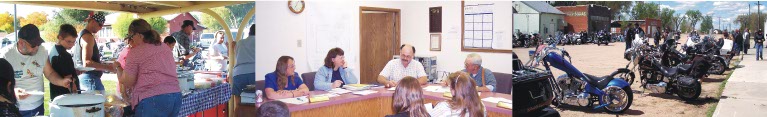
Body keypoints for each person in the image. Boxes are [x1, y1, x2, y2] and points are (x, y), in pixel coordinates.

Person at [114, 19, 181, 116]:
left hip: (152, 99)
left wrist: (118, 67)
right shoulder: (164, 47)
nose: (131, 40)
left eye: (132, 36)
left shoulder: (136, 51)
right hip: (175, 96)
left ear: (139, 35)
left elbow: (128, 81)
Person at [0, 24, 71, 117]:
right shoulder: (6, 55)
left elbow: (50, 73)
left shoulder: (42, 51)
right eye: (33, 45)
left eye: (39, 43)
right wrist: (14, 91)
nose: (37, 47)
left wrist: (61, 81)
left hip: (38, 105)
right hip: (17, 107)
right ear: (21, 42)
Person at [73, 12, 115, 93]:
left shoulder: (83, 34)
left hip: (86, 78)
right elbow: (87, 63)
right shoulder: (88, 37)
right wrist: (109, 67)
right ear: (92, 21)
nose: (101, 28)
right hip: (90, 79)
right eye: (100, 25)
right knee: (97, 104)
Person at [48, 24, 80, 99]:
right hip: (66, 96)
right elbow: (70, 81)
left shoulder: (53, 50)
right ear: (60, 38)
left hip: (56, 94)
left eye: (73, 42)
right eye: (69, 41)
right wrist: (76, 96)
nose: (71, 44)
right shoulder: (64, 56)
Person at [233, 24, 256, 107]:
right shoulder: (261, 42)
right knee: (255, 100)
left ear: (249, 32)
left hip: (239, 73)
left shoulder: (240, 42)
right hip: (254, 72)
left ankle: (238, 113)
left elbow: (237, 55)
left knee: (238, 100)